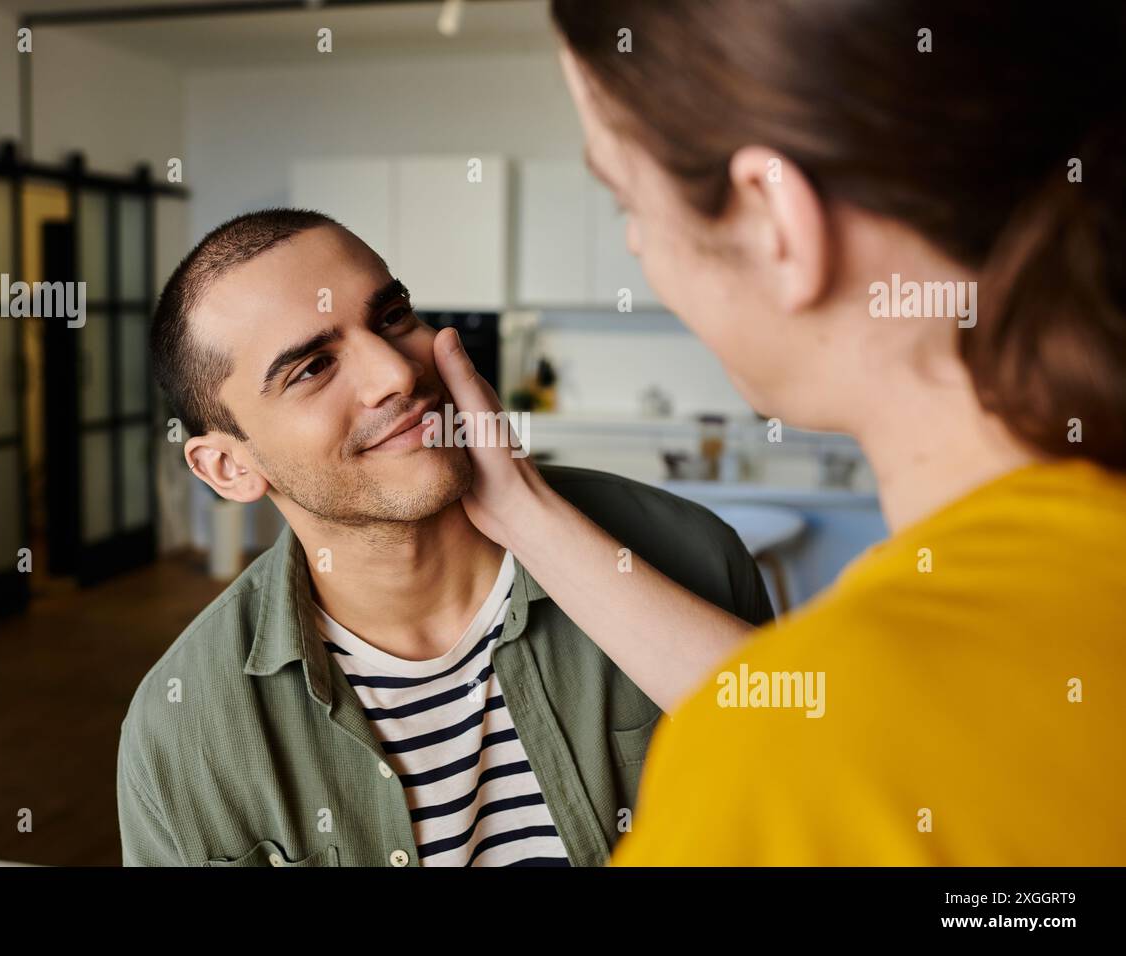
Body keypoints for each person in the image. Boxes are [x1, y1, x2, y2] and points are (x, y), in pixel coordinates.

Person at [428, 1, 1126, 864]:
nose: (641, 246)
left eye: (625, 202)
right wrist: (527, 514)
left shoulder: (771, 786)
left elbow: (826, 747)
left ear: (773, 220)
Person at [116, 209, 772, 867]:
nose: (396, 374)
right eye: (314, 367)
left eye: (392, 317)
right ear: (230, 467)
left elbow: (824, 800)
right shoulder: (181, 732)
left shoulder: (693, 559)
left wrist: (528, 513)